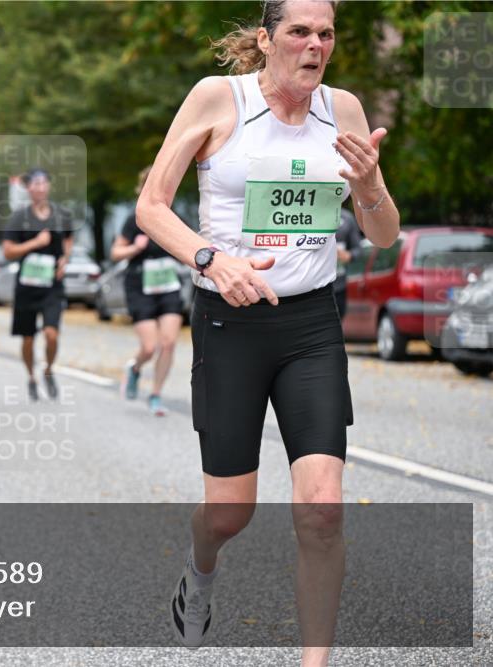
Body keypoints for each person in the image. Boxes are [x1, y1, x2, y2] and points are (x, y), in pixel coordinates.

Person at [134, 0, 399, 658]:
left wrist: (369, 186)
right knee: (230, 513)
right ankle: (199, 572)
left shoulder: (343, 110)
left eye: (326, 33)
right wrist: (211, 259)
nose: (315, 45)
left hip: (311, 325)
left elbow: (383, 233)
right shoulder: (217, 99)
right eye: (299, 31)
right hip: (229, 323)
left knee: (322, 509)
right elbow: (151, 207)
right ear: (266, 38)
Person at [114, 166, 185, 416]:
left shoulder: (173, 217)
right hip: (139, 285)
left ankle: (155, 394)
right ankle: (135, 368)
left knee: (168, 343)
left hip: (168, 284)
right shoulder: (135, 218)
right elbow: (115, 253)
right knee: (149, 347)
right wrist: (134, 248)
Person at [2, 168, 73, 401]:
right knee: (28, 338)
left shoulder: (61, 215)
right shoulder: (19, 217)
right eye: (35, 184)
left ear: (49, 186)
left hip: (52, 285)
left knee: (51, 334)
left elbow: (69, 239)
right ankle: (31, 376)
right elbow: (8, 251)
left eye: (44, 183)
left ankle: (48, 370)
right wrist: (34, 243)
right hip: (27, 286)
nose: (40, 188)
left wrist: (65, 259)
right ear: (28, 188)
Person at [333, 207, 362, 320]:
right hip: (315, 286)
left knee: (338, 321)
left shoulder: (347, 217)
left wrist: (349, 255)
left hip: (339, 286)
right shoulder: (310, 212)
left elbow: (358, 250)